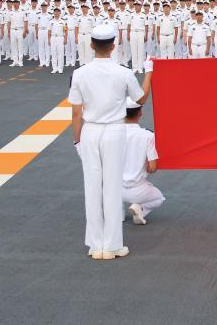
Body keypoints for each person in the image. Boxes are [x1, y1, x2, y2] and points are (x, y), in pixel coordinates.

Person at [69, 23, 148, 260]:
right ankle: (112, 246)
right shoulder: (124, 72)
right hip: (114, 130)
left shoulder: (80, 73)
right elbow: (140, 99)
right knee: (112, 187)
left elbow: (76, 112)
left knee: (92, 187)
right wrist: (150, 73)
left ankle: (96, 246)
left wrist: (77, 141)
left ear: (92, 45)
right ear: (113, 46)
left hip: (90, 131)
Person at [122, 101, 165, 225]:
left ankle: (118, 214)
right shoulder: (148, 136)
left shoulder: (111, 135)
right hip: (138, 190)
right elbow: (152, 167)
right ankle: (140, 209)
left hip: (115, 190)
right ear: (140, 113)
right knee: (159, 198)